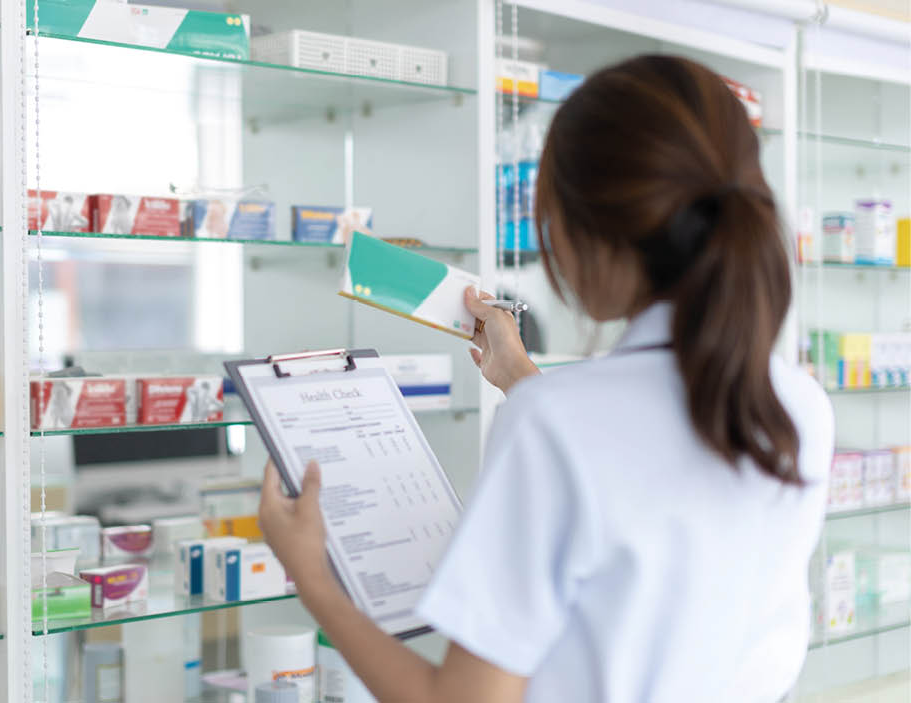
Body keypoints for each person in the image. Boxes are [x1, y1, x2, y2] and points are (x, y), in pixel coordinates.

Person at [258, 55, 833, 703]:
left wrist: (312, 575)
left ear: (592, 232)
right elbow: (633, 466)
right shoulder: (799, 406)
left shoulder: (556, 424)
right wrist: (519, 375)